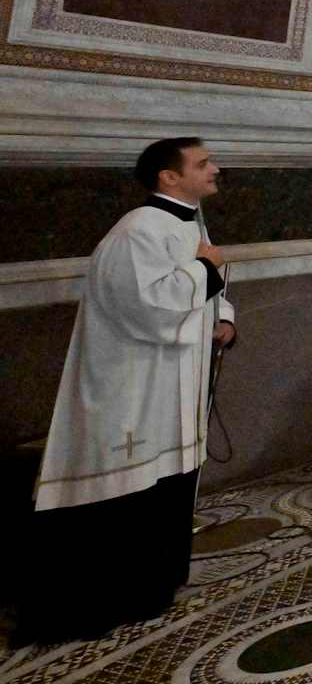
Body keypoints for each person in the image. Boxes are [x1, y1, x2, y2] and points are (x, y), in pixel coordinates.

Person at [26, 137, 237, 641]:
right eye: (203, 163)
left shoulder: (188, 223)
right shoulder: (138, 230)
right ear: (169, 176)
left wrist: (225, 316)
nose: (215, 169)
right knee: (124, 490)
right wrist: (205, 268)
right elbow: (149, 305)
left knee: (166, 486)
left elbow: (208, 288)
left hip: (171, 384)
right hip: (133, 387)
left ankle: (153, 587)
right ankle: (97, 604)